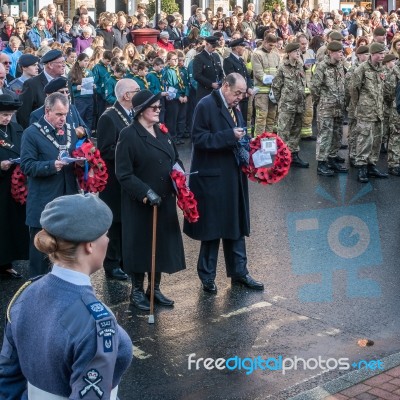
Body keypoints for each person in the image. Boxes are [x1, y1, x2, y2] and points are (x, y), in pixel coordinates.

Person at [0, 193, 132, 398]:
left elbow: (8, 379)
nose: (108, 239)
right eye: (105, 234)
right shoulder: (96, 322)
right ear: (89, 245)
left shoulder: (26, 293)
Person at [183, 73, 264, 294]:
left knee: (235, 226)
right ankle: (207, 277)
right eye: (237, 92)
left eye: (242, 93)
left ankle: (239, 272)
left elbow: (239, 134)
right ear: (225, 86)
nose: (240, 97)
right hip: (212, 177)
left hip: (233, 174)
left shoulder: (234, 105)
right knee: (212, 230)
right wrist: (229, 135)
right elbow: (199, 139)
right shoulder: (206, 104)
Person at [115, 89, 186, 310]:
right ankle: (136, 292)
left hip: (164, 199)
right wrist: (145, 193)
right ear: (140, 111)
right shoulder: (128, 135)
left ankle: (154, 289)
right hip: (141, 202)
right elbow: (123, 173)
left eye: (159, 107)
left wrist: (181, 177)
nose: (158, 110)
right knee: (140, 246)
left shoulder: (161, 131)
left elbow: (174, 159)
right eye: (153, 108)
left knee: (160, 245)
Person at [20, 92, 80, 278]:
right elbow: (26, 165)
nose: (64, 119)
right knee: (41, 253)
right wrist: (50, 165)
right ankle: (37, 293)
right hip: (44, 200)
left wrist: (80, 162)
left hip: (67, 197)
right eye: (59, 114)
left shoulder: (69, 129)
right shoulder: (31, 133)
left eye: (66, 114)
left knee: (66, 250)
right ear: (47, 111)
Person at [97, 78, 139, 281]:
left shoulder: (133, 113)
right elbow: (105, 150)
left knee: (127, 222)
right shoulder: (109, 117)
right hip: (114, 181)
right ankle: (111, 265)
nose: (139, 93)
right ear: (126, 95)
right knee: (115, 224)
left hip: (128, 178)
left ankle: (124, 261)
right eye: (136, 90)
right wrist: (130, 153)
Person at [350, 42, 388, 183]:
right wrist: (358, 106)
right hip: (365, 111)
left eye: (383, 54)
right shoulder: (362, 69)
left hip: (378, 111)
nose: (382, 56)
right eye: (380, 54)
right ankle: (361, 168)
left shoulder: (381, 69)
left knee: (376, 140)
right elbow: (354, 89)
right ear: (372, 54)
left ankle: (372, 166)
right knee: (364, 139)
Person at [0, 94, 28, 280]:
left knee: (11, 225)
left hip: (14, 184)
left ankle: (7, 263)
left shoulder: (16, 128)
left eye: (10, 114)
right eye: (3, 114)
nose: (6, 118)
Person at [311, 41, 348, 177]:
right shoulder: (322, 66)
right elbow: (315, 87)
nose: (341, 54)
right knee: (325, 135)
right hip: (326, 106)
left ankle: (332, 159)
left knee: (337, 134)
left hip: (338, 106)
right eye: (339, 52)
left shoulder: (340, 65)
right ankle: (321, 163)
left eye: (341, 52)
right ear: (331, 52)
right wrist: (321, 101)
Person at [272, 42, 309, 168]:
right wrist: (281, 101)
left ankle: (293, 155)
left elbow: (302, 83)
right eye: (295, 51)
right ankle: (281, 159)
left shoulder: (300, 65)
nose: (298, 53)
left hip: (299, 104)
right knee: (283, 132)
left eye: (299, 51)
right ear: (289, 53)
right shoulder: (283, 67)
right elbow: (276, 86)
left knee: (296, 131)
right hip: (287, 105)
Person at [17, 49, 65, 129]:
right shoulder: (31, 84)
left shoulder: (66, 82)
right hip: (39, 134)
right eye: (61, 62)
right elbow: (23, 115)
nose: (64, 65)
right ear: (50, 65)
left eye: (64, 62)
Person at [251, 33, 281, 135]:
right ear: (264, 42)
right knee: (261, 118)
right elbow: (259, 74)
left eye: (274, 45)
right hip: (262, 92)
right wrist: (274, 79)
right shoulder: (257, 54)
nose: (272, 48)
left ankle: (269, 140)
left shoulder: (276, 54)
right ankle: (258, 143)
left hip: (273, 92)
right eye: (270, 45)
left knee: (271, 118)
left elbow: (279, 70)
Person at [223, 37, 254, 124]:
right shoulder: (228, 60)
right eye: (242, 47)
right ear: (237, 48)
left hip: (244, 95)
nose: (244, 49)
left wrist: (249, 88)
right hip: (236, 95)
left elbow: (247, 76)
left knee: (244, 117)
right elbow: (233, 78)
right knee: (237, 118)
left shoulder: (240, 60)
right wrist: (243, 90)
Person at [193, 36, 224, 101]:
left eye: (215, 46)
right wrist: (210, 84)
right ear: (207, 44)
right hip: (205, 92)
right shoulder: (199, 57)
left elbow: (220, 71)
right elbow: (197, 75)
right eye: (213, 46)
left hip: (217, 90)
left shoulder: (216, 56)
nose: (214, 48)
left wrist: (221, 81)